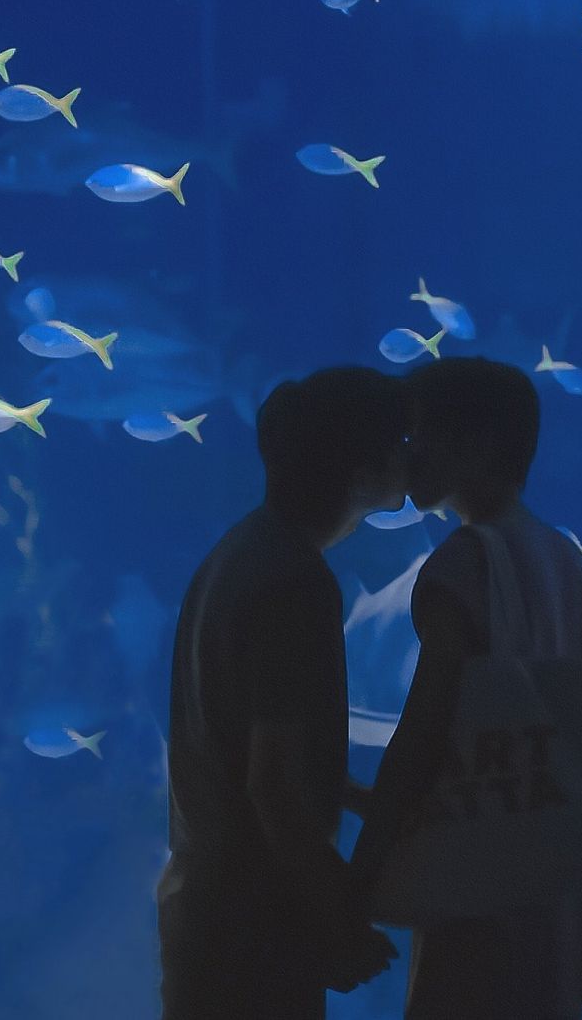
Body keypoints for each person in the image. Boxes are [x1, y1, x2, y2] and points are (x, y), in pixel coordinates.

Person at [349, 355, 582, 1020]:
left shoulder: (463, 563)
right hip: (556, 880)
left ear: (475, 444)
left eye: (416, 433)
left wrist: (362, 871)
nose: (404, 453)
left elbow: (426, 729)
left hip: (479, 874)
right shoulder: (566, 562)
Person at [156, 365, 406, 1019]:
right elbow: (271, 787)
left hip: (211, 909)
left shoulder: (239, 553)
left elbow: (254, 749)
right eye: (399, 442)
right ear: (358, 471)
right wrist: (339, 918)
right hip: (251, 927)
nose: (413, 454)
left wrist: (364, 799)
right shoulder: (295, 582)